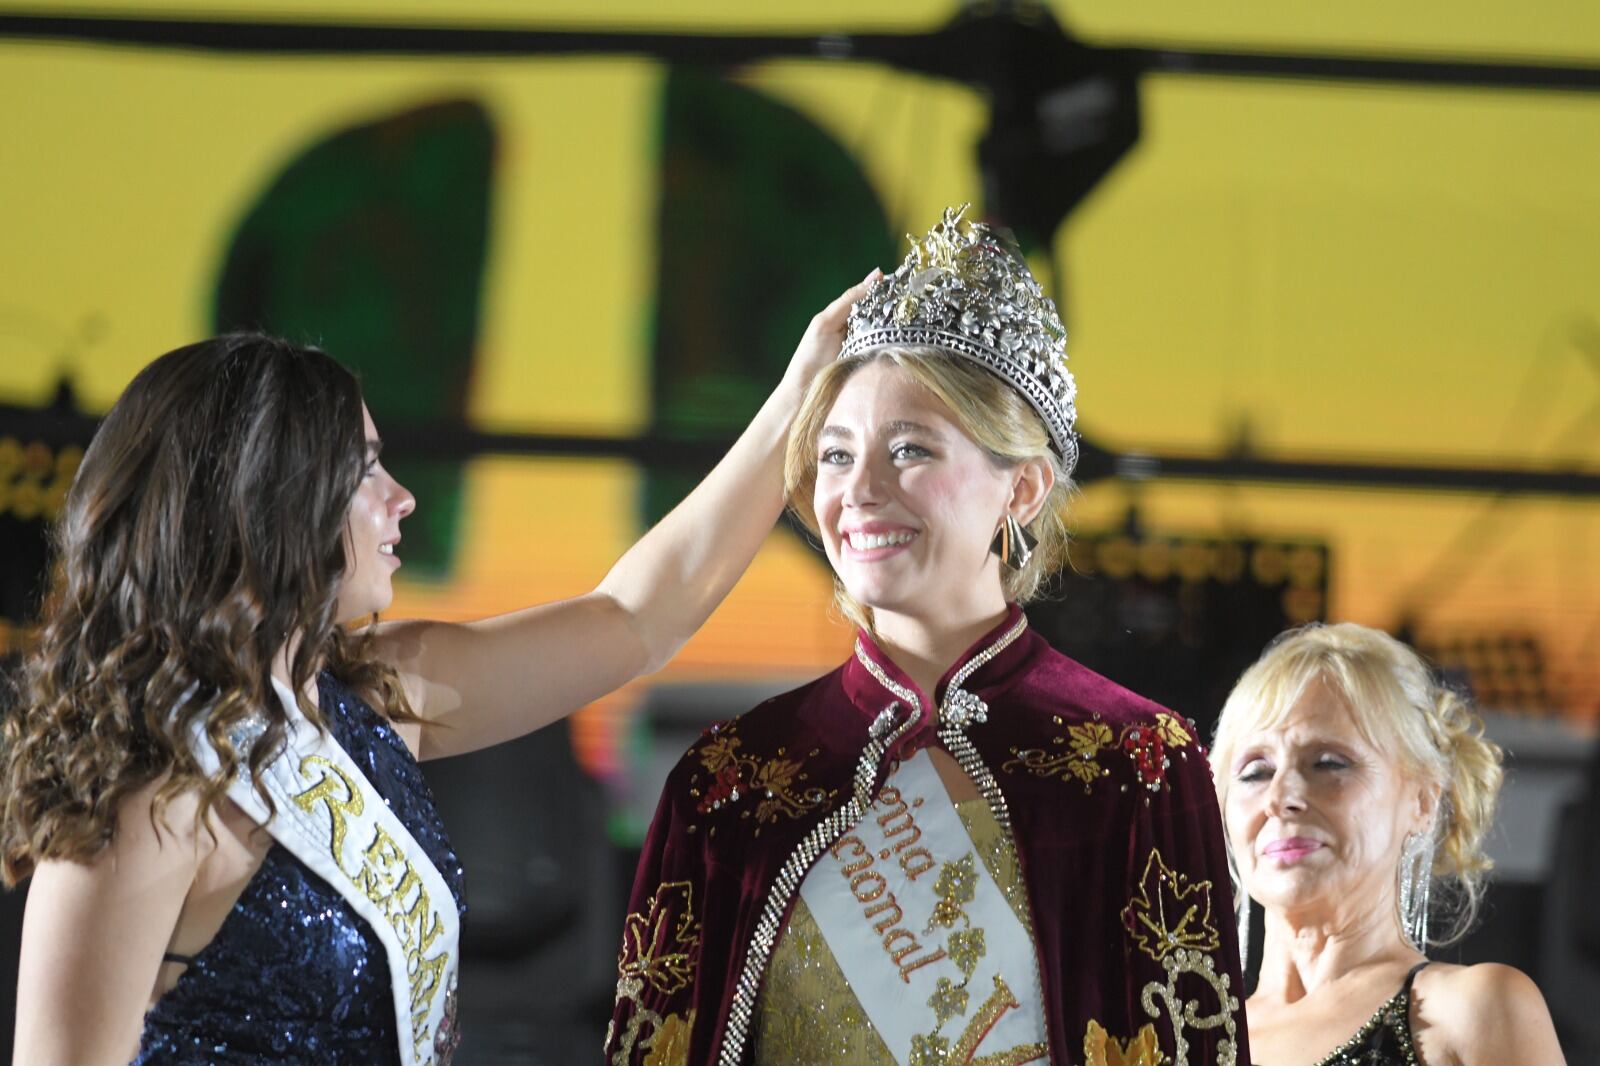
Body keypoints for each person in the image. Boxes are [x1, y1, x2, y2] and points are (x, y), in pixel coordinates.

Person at [0, 273, 873, 1066]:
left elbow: (637, 619)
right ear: (271, 501)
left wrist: (801, 391)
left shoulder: (377, 694)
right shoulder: (151, 796)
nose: (401, 496)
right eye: (364, 468)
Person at [605, 207, 1249, 1065]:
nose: (860, 490)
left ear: (1021, 491)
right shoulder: (730, 782)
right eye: (835, 455)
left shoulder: (1138, 766)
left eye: (909, 449)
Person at [1210, 623, 1566, 1065]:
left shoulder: (1473, 1012)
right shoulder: (1189, 1043)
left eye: (1327, 763)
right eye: (1255, 772)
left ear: (1422, 801)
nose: (1281, 797)